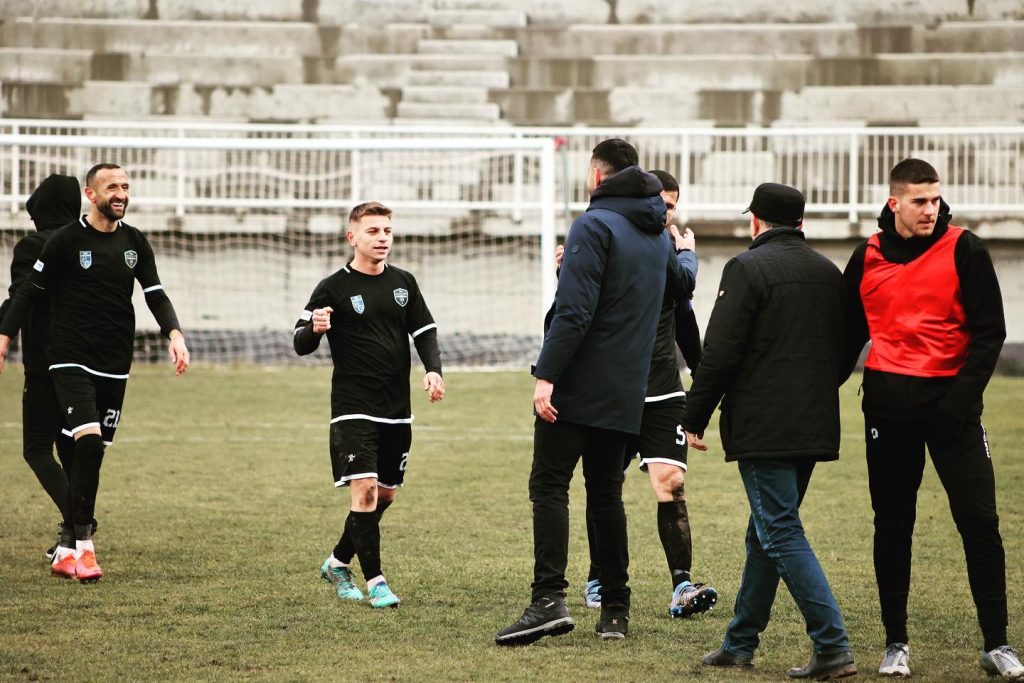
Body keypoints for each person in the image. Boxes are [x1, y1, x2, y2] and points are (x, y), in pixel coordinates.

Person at [495, 139, 696, 646]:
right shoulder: (657, 234)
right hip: (629, 388)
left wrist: (547, 374)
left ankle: (548, 600)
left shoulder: (593, 224)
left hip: (580, 383)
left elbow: (576, 311)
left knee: (549, 486)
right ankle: (615, 611)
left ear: (597, 175)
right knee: (605, 495)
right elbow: (678, 288)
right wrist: (688, 254)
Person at [842, 158, 1021, 679]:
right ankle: (895, 642)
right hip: (887, 411)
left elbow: (990, 334)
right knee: (893, 523)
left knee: (980, 522)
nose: (931, 209)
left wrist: (957, 405)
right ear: (894, 202)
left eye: (936, 199)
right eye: (919, 200)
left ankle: (997, 644)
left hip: (953, 413)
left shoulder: (966, 248)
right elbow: (847, 336)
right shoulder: (867, 255)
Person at [681, 183, 856, 680]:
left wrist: (693, 416)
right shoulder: (828, 272)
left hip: (765, 424)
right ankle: (739, 643)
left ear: (756, 221)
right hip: (814, 421)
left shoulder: (746, 268)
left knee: (778, 529)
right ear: (800, 223)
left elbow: (720, 352)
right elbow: (847, 347)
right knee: (765, 531)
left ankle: (833, 645)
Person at [0, 163, 190, 583]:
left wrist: (174, 334)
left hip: (115, 363)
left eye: (125, 186)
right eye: (112, 187)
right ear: (91, 194)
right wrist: (4, 336)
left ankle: (69, 544)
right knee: (82, 442)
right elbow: (27, 292)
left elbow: (155, 293)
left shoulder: (135, 242)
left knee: (90, 451)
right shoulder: (66, 240)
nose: (121, 193)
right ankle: (84, 546)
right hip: (68, 358)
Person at [562, 170, 718, 619]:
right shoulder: (618, 245)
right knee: (605, 487)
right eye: (659, 204)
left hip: (664, 391)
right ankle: (600, 576)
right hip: (615, 389)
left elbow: (685, 321)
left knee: (671, 482)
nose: (663, 213)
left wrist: (702, 391)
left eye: (670, 207)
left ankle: (682, 586)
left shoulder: (665, 253)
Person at [294, 201, 445, 610]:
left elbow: (424, 331)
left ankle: (337, 562)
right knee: (363, 492)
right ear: (352, 237)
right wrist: (315, 328)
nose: (382, 238)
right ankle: (377, 582)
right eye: (373, 231)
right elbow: (300, 342)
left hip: (396, 408)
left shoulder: (404, 282)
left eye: (387, 231)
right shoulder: (332, 287)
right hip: (353, 407)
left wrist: (433, 370)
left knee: (384, 496)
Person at [0, 175, 82, 559]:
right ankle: (74, 537)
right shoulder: (87, 245)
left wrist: (3, 333)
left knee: (36, 449)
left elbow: (21, 297)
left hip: (45, 363)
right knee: (71, 449)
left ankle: (79, 519)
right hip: (85, 365)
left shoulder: (33, 246)